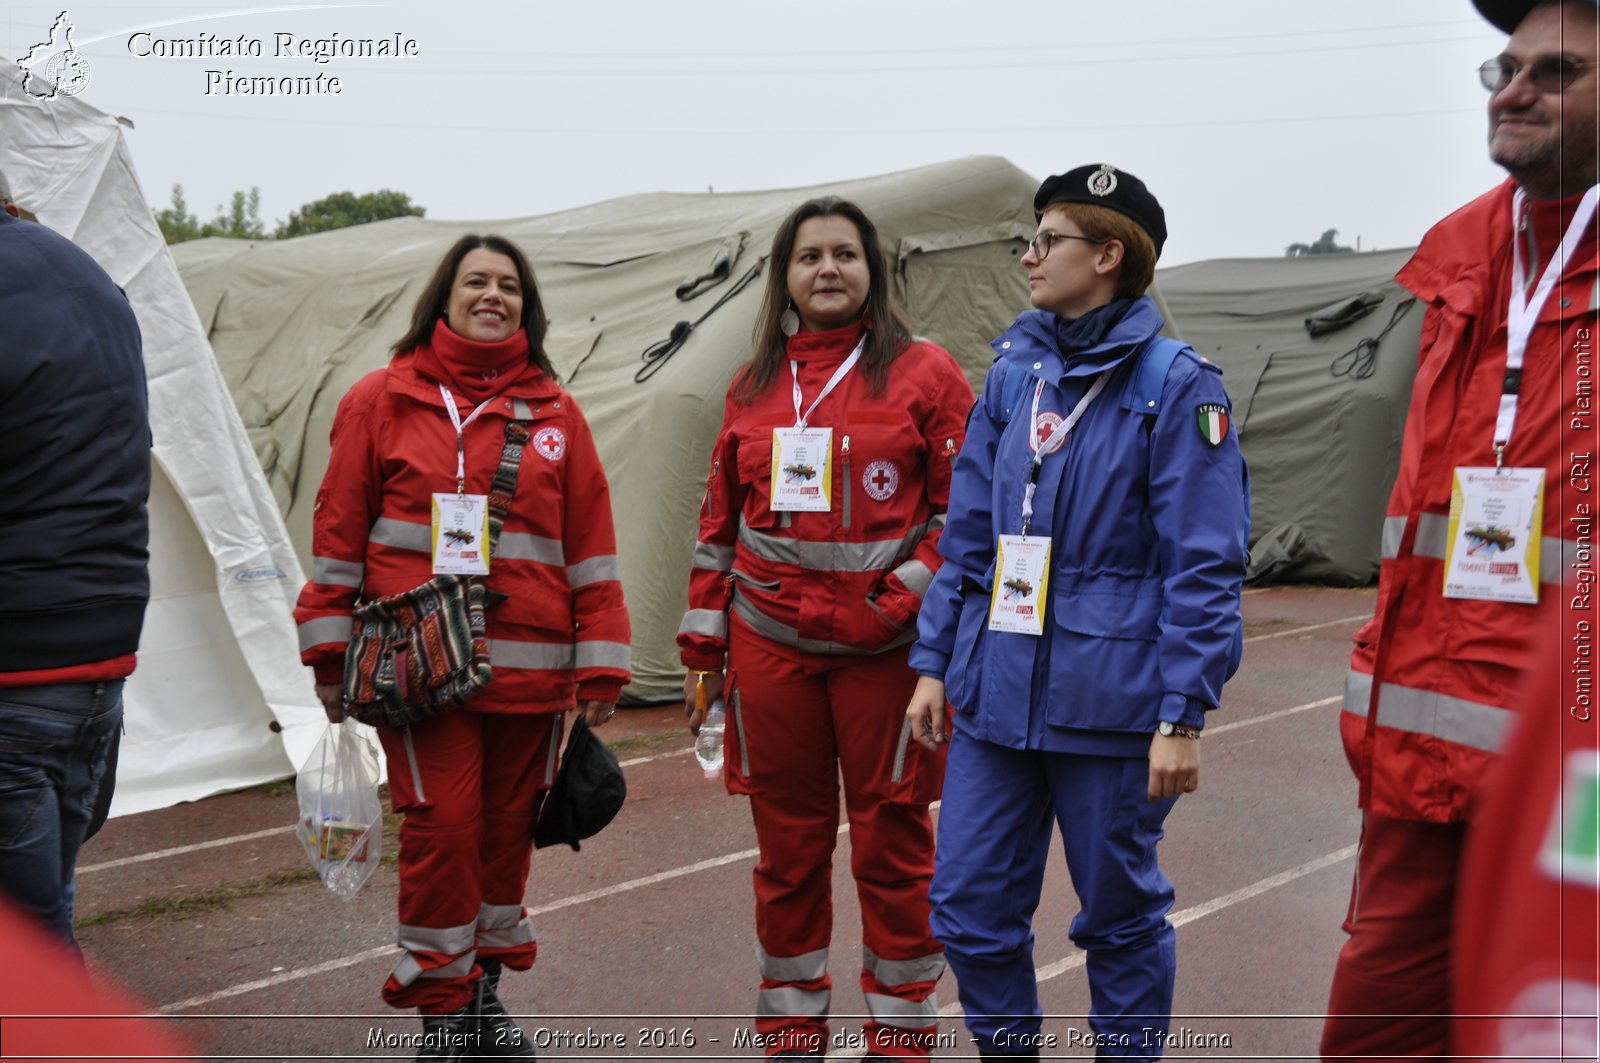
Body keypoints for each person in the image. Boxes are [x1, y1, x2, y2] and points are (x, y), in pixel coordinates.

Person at [906, 164, 1250, 1060]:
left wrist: (1183, 713)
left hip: (1115, 704)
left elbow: (1204, 563)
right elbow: (970, 535)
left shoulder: (1179, 386)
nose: (1029, 256)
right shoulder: (1014, 375)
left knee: (1120, 918)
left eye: (1048, 239)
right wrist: (935, 661)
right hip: (996, 691)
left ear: (1107, 254)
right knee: (968, 909)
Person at [1320, 1, 1598, 1056]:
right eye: (1504, 66)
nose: (1512, 90)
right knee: (1373, 1035)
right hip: (1419, 765)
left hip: (1578, 787)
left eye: (1556, 71)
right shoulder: (1465, 250)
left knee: (1544, 1033)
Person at [295, 234, 631, 1059]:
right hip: (419, 674)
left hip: (532, 673)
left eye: (508, 284)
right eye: (475, 281)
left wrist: (604, 657)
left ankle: (480, 994)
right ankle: (443, 1013)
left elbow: (590, 541)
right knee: (443, 827)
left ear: (527, 304)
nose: (493, 294)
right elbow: (338, 536)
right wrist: (328, 654)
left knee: (504, 833)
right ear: (443, 299)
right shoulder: (379, 399)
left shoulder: (558, 411)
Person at [677, 196, 974, 1060]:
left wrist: (899, 602)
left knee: (894, 844)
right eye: (810, 257)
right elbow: (717, 525)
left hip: (886, 656)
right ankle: (790, 1036)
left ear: (874, 270)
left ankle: (904, 1038)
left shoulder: (927, 374)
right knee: (788, 854)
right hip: (771, 651)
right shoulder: (753, 383)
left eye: (846, 254)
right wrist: (702, 651)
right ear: (785, 277)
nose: (828, 270)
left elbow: (962, 518)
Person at [0, 168, 150, 955]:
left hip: (19, 659)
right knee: (47, 904)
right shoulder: (85, 271)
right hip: (100, 648)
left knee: (28, 946)